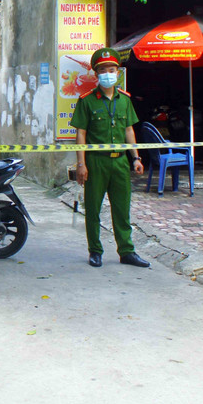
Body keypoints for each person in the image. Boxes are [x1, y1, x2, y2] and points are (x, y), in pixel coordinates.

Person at [69, 47, 150, 269]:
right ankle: (95, 251)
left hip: (120, 162)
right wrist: (81, 164)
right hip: (96, 162)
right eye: (103, 69)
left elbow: (129, 130)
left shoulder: (124, 100)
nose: (108, 73)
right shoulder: (87, 101)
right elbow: (81, 133)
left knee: (122, 208)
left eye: (112, 69)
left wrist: (136, 158)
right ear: (96, 74)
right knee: (93, 208)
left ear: (118, 72)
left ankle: (127, 251)